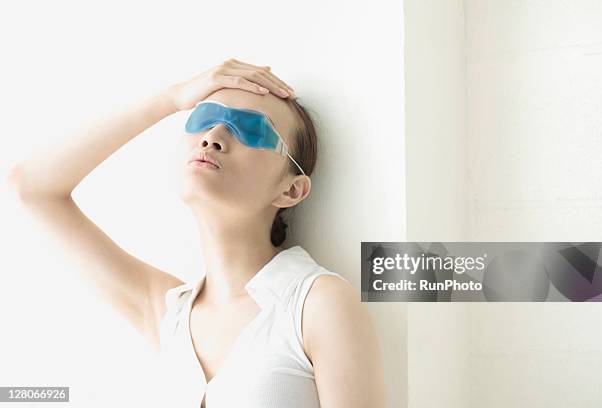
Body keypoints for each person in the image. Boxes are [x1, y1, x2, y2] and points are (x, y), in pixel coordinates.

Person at [8, 58, 386, 407]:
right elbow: (33, 188)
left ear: (291, 190)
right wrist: (170, 99)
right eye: (203, 118)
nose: (214, 135)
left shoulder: (316, 304)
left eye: (252, 130)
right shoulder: (167, 314)